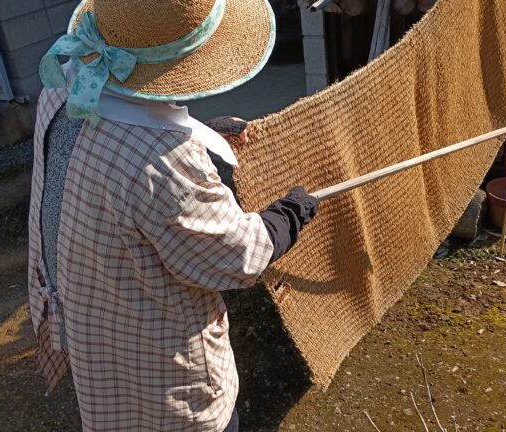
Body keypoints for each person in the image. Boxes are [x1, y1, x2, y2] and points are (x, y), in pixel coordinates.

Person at [27, 0, 319, 431]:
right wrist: (288, 216)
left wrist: (202, 134)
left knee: (112, 403)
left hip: (85, 308)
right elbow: (234, 257)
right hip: (161, 365)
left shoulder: (62, 87)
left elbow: (118, 147)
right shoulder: (165, 162)